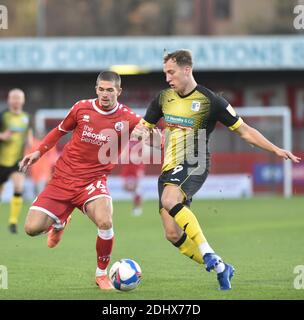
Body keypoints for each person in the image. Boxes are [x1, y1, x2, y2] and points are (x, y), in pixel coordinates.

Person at [131, 49, 301, 290]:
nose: (168, 78)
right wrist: (142, 134)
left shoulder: (211, 101)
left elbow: (245, 132)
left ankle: (208, 251)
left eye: (171, 72)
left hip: (195, 160)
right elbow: (145, 130)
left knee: (170, 199)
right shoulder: (162, 98)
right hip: (169, 168)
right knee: (171, 233)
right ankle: (222, 267)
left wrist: (275, 149)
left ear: (186, 69)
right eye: (165, 73)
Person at [19, 71, 141, 290]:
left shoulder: (127, 117)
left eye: (110, 90)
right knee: (31, 228)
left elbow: (150, 134)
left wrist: (152, 137)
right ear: (96, 89)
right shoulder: (81, 107)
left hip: (92, 181)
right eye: (101, 89)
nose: (105, 94)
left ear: (118, 91)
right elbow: (59, 131)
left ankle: (101, 274)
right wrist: (39, 152)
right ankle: (60, 221)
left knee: (105, 221)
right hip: (63, 178)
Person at [0, 88, 33, 234]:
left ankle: (13, 222)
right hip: (1, 160)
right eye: (13, 97)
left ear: (23, 100)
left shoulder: (27, 117)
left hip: (17, 161)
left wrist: (30, 142)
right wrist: (2, 136)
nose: (16, 100)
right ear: (9, 100)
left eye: (19, 98)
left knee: (18, 187)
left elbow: (29, 135)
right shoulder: (3, 116)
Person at [119, 140, 146, 216]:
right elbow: (122, 153)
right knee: (126, 187)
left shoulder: (140, 141)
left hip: (137, 167)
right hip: (127, 167)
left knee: (137, 188)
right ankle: (136, 203)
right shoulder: (127, 140)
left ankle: (137, 208)